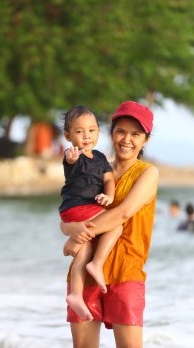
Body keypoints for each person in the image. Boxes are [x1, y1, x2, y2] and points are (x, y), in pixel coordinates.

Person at [60, 101, 159, 348]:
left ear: (145, 140)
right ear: (111, 132)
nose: (127, 139)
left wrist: (75, 237)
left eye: (135, 134)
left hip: (126, 271)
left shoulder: (148, 173)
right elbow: (70, 214)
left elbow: (123, 214)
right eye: (121, 131)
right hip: (85, 272)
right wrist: (69, 230)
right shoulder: (93, 168)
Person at [59, 105, 123, 322]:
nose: (86, 135)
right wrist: (71, 158)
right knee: (116, 224)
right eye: (79, 132)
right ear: (68, 136)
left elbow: (108, 180)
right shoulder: (73, 155)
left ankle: (76, 295)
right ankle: (95, 261)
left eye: (91, 130)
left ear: (98, 131)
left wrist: (110, 197)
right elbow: (70, 161)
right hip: (77, 206)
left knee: (85, 249)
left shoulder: (100, 157)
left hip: (85, 210)